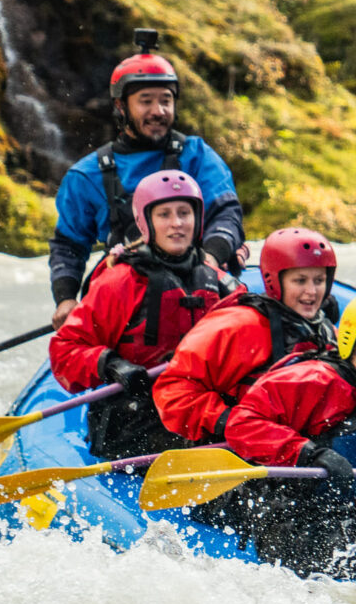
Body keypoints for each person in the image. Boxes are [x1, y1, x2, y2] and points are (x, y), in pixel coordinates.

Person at [204, 293, 356, 576]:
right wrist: (309, 453)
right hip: (286, 514)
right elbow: (242, 424)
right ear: (353, 343)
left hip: (344, 512)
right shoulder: (313, 379)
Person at [47, 29, 243, 327]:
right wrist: (66, 299)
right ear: (121, 106)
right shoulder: (87, 175)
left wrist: (212, 260)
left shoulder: (197, 156)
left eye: (165, 100)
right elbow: (69, 245)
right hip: (129, 299)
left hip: (202, 288)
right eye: (146, 101)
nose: (158, 111)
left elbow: (226, 214)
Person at [48, 171, 238, 461]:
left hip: (198, 411)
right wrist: (109, 365)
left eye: (184, 213)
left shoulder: (219, 282)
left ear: (197, 219)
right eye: (164, 214)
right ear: (146, 222)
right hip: (134, 420)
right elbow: (65, 352)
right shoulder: (120, 282)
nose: (176, 223)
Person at [153, 228, 339, 444]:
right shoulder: (238, 326)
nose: (311, 291)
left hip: (293, 448)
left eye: (319, 281)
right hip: (230, 447)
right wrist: (230, 422)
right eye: (300, 281)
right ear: (274, 280)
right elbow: (173, 391)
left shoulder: (326, 333)